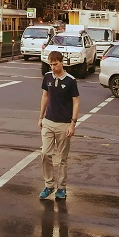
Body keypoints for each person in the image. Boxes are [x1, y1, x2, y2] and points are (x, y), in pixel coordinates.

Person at [38, 50, 80, 200]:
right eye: (50, 64)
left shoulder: (70, 80)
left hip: (64, 123)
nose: (53, 67)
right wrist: (41, 117)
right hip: (48, 121)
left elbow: (76, 101)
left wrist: (73, 123)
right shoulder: (48, 77)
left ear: (62, 62)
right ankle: (49, 185)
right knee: (45, 154)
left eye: (55, 64)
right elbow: (45, 96)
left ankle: (61, 187)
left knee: (62, 158)